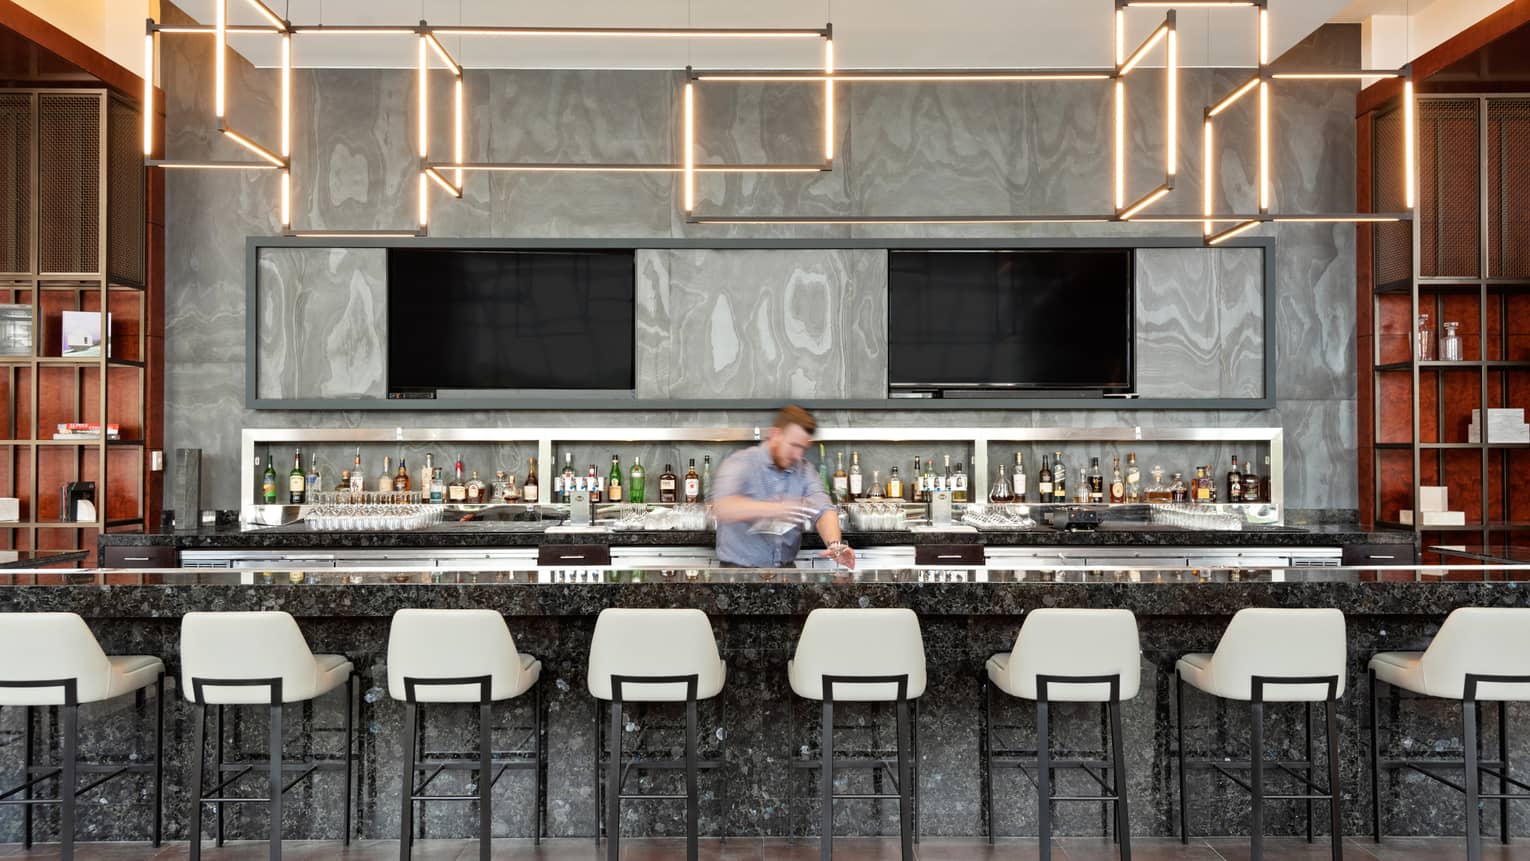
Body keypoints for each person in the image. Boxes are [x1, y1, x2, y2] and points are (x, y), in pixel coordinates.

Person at [709, 405, 855, 570]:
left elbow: (823, 508)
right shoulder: (741, 462)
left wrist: (835, 547)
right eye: (793, 445)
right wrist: (776, 509)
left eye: (803, 448)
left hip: (785, 574)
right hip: (737, 575)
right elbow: (723, 507)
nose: (798, 455)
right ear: (776, 434)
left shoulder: (805, 470)